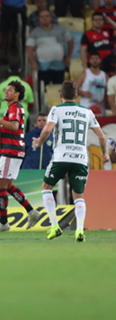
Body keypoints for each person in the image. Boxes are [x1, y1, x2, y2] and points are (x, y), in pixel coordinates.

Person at [33, 81, 109, 242]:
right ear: (77, 95)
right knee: (79, 196)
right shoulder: (87, 112)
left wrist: (39, 142)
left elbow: (47, 129)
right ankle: (80, 230)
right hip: (81, 159)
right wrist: (104, 154)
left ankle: (54, 226)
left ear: (60, 96)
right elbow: (102, 136)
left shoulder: (56, 109)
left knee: (46, 187)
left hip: (61, 156)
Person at [0, 81, 40, 232]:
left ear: (17, 94)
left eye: (10, 90)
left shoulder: (15, 108)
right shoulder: (13, 109)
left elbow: (14, 126)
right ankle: (31, 211)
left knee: (0, 186)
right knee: (7, 186)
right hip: (13, 150)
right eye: (5, 90)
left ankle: (3, 223)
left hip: (10, 150)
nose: (6, 92)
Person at [26, 10, 73, 86]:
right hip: (42, 67)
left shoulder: (60, 29)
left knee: (58, 89)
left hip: (59, 66)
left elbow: (70, 41)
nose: (45, 18)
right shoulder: (35, 32)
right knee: (42, 90)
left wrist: (68, 57)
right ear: (39, 19)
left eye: (47, 16)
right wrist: (33, 63)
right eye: (42, 17)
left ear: (50, 17)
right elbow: (29, 49)